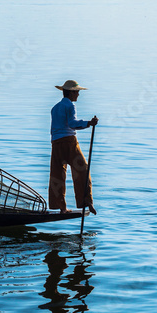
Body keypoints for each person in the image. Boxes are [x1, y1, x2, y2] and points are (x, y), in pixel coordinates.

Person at [49, 80, 98, 214]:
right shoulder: (70, 106)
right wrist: (89, 123)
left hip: (56, 143)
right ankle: (87, 201)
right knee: (83, 170)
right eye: (77, 92)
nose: (78, 95)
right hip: (69, 142)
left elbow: (53, 128)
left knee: (57, 175)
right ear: (70, 93)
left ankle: (61, 207)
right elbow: (72, 123)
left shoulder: (55, 107)